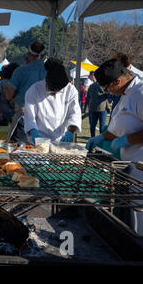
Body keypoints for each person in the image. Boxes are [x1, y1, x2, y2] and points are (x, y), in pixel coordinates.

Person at [86, 59, 143, 235]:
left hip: (141, 164)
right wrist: (102, 136)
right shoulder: (125, 93)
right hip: (130, 166)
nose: (107, 92)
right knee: (134, 215)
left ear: (118, 81)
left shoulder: (140, 92)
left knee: (141, 216)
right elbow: (120, 127)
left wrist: (127, 140)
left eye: (107, 88)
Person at [24, 58, 82, 144]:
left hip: (60, 140)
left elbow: (74, 114)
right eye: (52, 91)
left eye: (57, 91)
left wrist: (70, 132)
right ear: (46, 80)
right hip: (39, 139)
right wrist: (34, 133)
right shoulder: (34, 90)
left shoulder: (71, 90)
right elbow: (29, 117)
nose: (54, 94)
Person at [5, 42, 47, 143]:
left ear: (29, 55)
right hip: (46, 115)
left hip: (24, 115)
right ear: (44, 55)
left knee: (17, 148)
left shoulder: (20, 71)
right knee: (43, 149)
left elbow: (8, 95)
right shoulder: (51, 72)